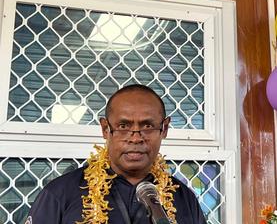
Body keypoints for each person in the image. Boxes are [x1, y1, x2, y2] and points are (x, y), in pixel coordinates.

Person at [25, 84, 208, 224]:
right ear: (105, 129)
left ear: (164, 129)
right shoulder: (60, 193)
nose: (136, 138)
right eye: (123, 126)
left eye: (147, 126)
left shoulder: (185, 199)